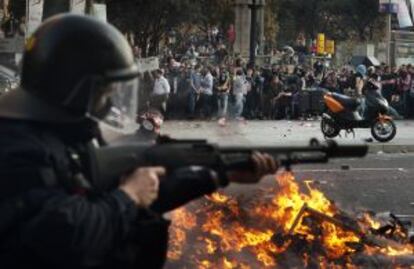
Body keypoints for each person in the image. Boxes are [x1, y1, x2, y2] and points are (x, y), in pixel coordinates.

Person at [0, 15, 278, 269]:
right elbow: (65, 236)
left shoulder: (60, 132)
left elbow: (134, 192)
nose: (108, 103)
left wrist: (220, 174)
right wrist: (129, 197)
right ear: (75, 89)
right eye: (104, 92)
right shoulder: (16, 147)